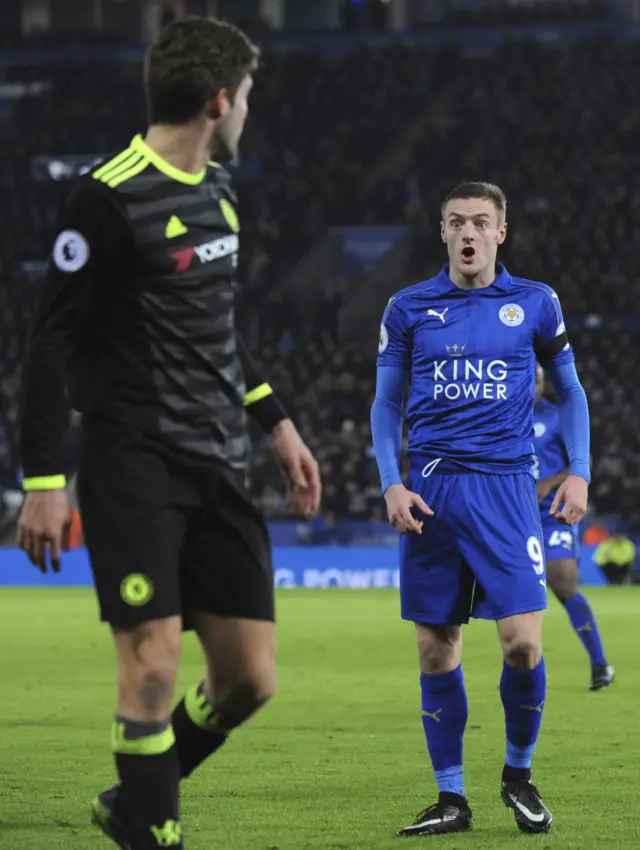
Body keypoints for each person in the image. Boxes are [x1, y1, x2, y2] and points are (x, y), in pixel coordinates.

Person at [17, 18, 321, 850]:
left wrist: (278, 424)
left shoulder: (220, 190)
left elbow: (217, 332)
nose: (249, 111)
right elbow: (48, 342)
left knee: (248, 680)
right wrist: (45, 482)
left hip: (219, 460)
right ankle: (155, 830)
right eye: (248, 96)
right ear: (221, 100)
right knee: (151, 665)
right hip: (133, 462)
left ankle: (134, 800)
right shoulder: (104, 196)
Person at [371, 182, 590, 837]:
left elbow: (572, 391)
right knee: (437, 651)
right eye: (457, 222)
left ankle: (517, 778)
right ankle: (451, 798)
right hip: (431, 493)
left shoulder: (536, 303)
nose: (469, 233)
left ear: (501, 232)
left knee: (523, 644)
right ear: (442, 232)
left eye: (481, 222)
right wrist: (390, 481)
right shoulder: (408, 308)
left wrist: (578, 471)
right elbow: (386, 405)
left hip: (505, 492)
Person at [533, 363, 614, 690]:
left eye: (536, 380)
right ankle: (522, 669)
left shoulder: (557, 417)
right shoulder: (501, 417)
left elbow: (583, 463)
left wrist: (549, 484)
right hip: (513, 516)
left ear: (543, 384)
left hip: (554, 513)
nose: (530, 385)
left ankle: (599, 663)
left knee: (563, 582)